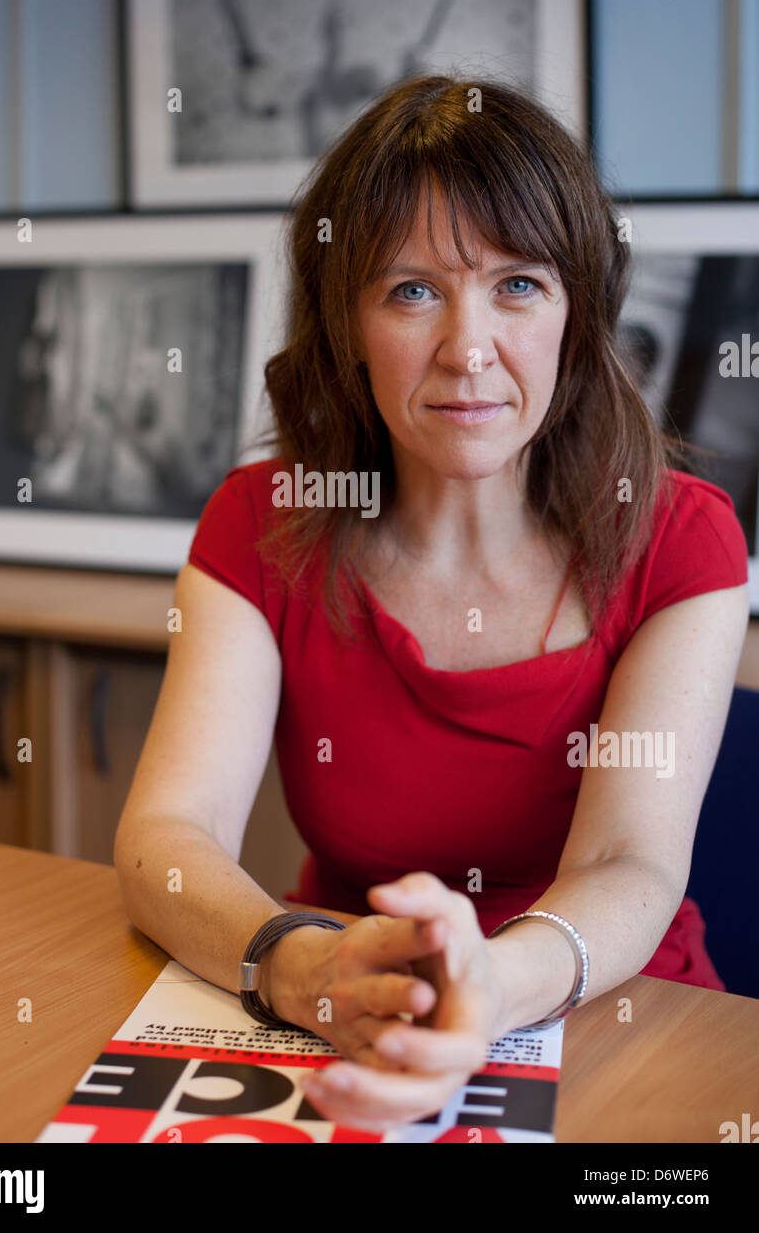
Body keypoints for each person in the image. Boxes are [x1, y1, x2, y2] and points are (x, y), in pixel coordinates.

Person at [114, 74, 749, 1132]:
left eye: (516, 285)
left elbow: (623, 861)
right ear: (348, 324)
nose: (467, 348)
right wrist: (307, 966)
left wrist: (483, 992)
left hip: (623, 1023)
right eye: (411, 290)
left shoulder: (681, 538)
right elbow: (166, 833)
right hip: (355, 1003)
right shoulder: (261, 521)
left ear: (574, 309)